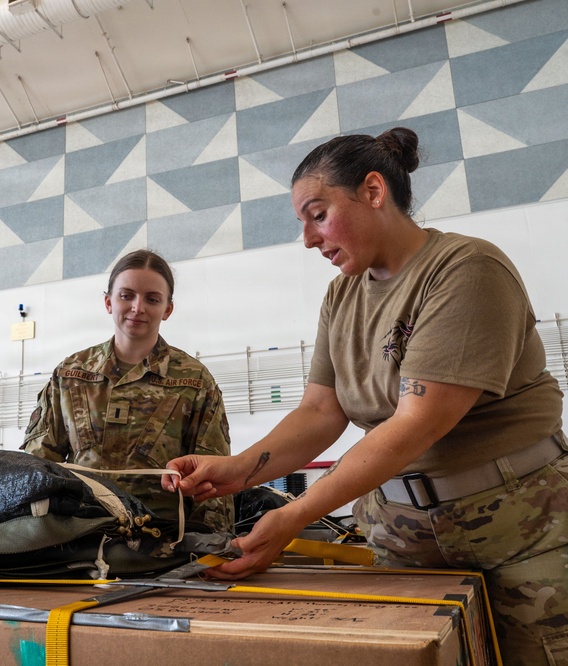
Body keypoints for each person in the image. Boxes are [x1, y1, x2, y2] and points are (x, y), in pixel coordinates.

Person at [163, 127, 566, 664]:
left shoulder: (465, 269)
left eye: (317, 214)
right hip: (402, 537)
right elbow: (320, 411)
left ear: (374, 191)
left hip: (520, 532)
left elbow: (415, 425)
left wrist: (294, 514)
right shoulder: (343, 294)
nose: (308, 238)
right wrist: (238, 470)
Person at [22, 249, 234, 533]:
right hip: (80, 534)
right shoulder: (71, 374)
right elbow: (38, 463)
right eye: (126, 295)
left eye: (152, 299)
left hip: (163, 539)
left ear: (167, 309)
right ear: (109, 302)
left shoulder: (194, 381)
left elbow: (213, 476)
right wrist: (29, 532)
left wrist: (212, 546)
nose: (138, 307)